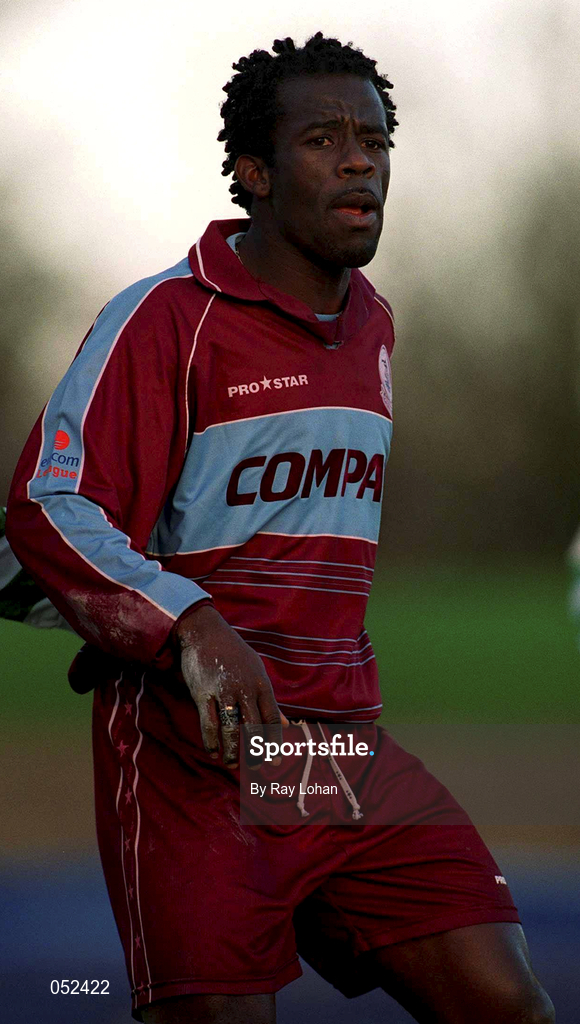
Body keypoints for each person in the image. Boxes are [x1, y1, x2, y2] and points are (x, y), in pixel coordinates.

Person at [6, 33, 554, 1024]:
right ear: (254, 172)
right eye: (325, 139)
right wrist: (187, 624)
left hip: (329, 753)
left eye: (375, 141)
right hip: (190, 763)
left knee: (505, 1003)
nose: (360, 162)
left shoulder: (375, 324)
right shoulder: (166, 320)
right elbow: (50, 504)